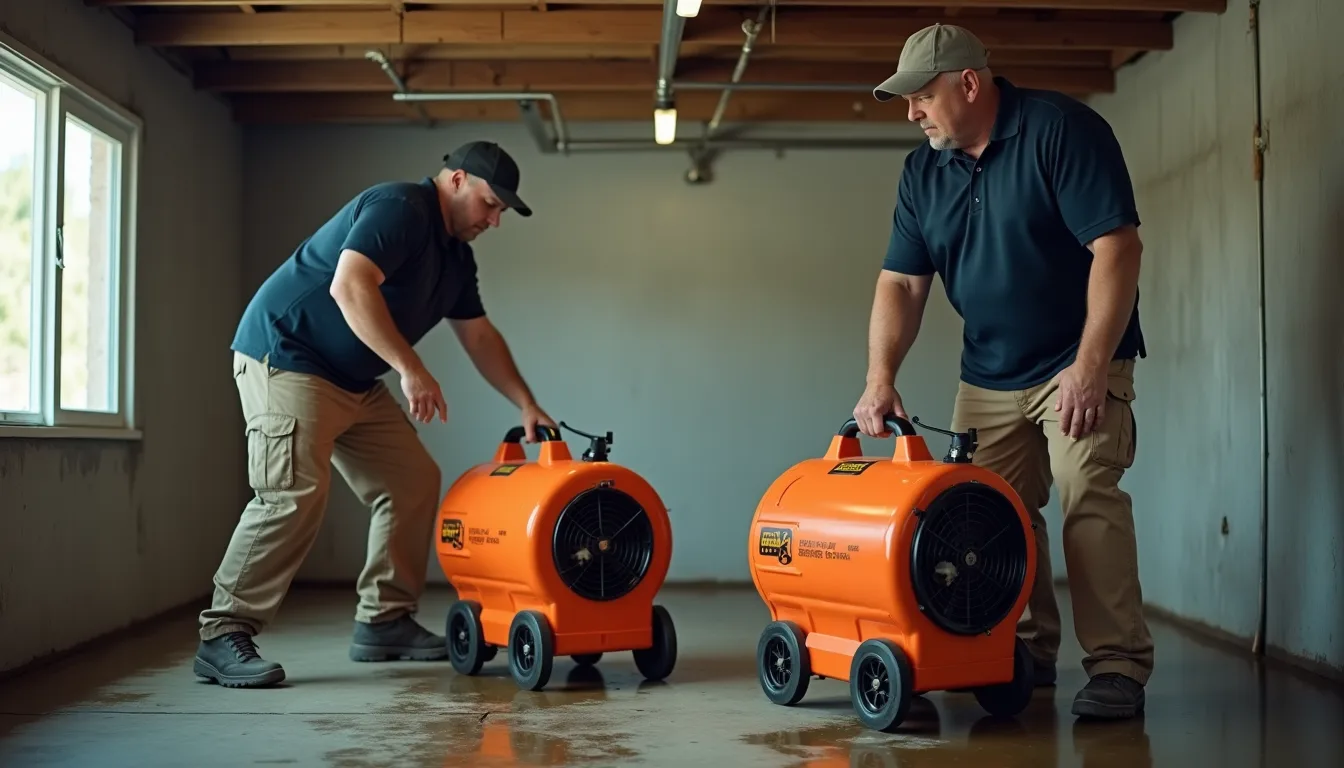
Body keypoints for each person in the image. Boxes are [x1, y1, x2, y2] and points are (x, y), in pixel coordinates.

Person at [852, 24, 1153, 720]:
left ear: (968, 83)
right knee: (984, 516)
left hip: (1076, 359)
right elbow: (901, 282)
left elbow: (1118, 247)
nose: (911, 112)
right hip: (987, 371)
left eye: (922, 96)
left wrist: (1090, 364)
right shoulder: (922, 173)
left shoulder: (1061, 131)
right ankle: (1020, 652)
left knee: (1087, 491)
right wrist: (879, 375)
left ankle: (1116, 667)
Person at [193, 141, 557, 688]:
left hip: (353, 380)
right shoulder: (400, 208)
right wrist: (410, 368)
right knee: (291, 491)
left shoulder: (457, 258)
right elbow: (350, 285)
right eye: (490, 203)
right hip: (288, 357)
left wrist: (526, 402)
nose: (494, 220)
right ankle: (222, 633)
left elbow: (479, 336)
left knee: (411, 480)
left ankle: (384, 620)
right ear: (456, 180)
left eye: (502, 211)